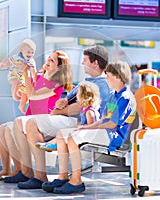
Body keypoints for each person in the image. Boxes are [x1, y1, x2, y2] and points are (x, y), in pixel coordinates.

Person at [12, 45, 111, 189]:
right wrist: (61, 104)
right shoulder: (86, 82)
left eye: (85, 60)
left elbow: (84, 106)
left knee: (31, 123)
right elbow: (71, 101)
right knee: (24, 123)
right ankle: (33, 173)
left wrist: (59, 111)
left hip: (79, 121)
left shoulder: (102, 85)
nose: (82, 63)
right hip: (67, 117)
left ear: (95, 63)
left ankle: (40, 175)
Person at [44, 61, 136, 194]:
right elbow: (104, 119)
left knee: (72, 138)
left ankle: (76, 181)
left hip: (113, 136)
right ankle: (63, 177)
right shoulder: (113, 95)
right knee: (61, 134)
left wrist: (89, 129)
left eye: (108, 75)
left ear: (117, 76)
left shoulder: (125, 98)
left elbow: (112, 124)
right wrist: (87, 128)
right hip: (105, 131)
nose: (106, 78)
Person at [0, 50, 73, 181]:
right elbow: (20, 96)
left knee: (11, 128)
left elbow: (33, 94)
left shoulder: (56, 85)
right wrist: (16, 80)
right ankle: (11, 169)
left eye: (52, 60)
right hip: (29, 117)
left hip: (41, 120)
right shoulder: (39, 77)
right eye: (48, 58)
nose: (47, 61)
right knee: (1, 129)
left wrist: (26, 74)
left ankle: (24, 170)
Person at [36, 80, 101, 152]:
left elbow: (92, 127)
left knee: (67, 133)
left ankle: (53, 145)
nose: (76, 97)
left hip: (87, 134)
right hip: (83, 131)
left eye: (78, 94)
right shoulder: (85, 109)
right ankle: (50, 144)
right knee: (62, 132)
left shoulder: (90, 112)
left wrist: (81, 127)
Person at [8, 38, 37, 114]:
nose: (30, 54)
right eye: (28, 52)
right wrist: (16, 63)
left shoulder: (31, 61)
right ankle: (15, 94)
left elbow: (34, 71)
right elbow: (10, 60)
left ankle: (22, 105)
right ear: (21, 50)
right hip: (14, 74)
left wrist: (34, 80)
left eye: (32, 52)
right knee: (16, 82)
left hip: (23, 78)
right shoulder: (17, 56)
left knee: (25, 92)